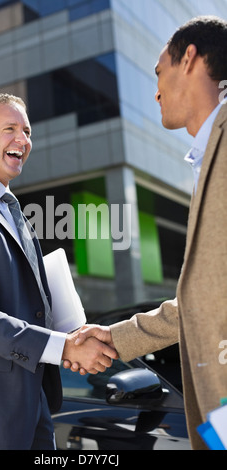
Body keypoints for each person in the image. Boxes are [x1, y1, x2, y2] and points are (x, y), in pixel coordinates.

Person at [66, 16, 227, 450]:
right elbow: (200, 300)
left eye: (159, 73)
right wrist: (115, 338)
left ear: (189, 59)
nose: (155, 91)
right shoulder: (205, 156)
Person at [0, 93, 117, 450]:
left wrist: (74, 335)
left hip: (32, 407)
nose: (23, 140)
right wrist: (64, 348)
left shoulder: (13, 212)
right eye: (10, 129)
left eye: (27, 131)